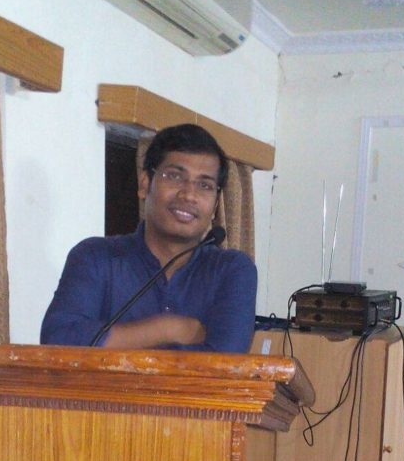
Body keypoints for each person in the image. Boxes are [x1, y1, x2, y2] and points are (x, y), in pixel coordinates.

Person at [40, 124, 257, 352]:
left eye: (204, 185)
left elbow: (226, 359)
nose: (189, 195)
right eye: (175, 176)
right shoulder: (95, 257)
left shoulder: (231, 270)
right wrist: (167, 329)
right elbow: (59, 339)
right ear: (145, 184)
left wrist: (121, 343)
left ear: (215, 205)